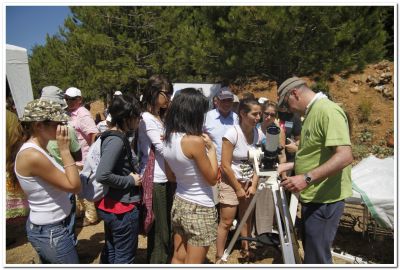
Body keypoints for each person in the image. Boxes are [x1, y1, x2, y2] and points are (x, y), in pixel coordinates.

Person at [276, 77, 353, 264]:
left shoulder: (328, 111)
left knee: (317, 258)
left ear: (294, 94)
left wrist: (306, 178)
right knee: (312, 252)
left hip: (326, 200)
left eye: (287, 104)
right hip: (314, 197)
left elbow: (344, 156)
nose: (289, 109)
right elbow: (319, 154)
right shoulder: (312, 113)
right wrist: (292, 166)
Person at [13, 99, 81, 263]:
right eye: (57, 123)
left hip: (51, 228)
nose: (62, 128)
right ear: (38, 125)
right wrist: (65, 150)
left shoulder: (39, 149)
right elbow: (74, 186)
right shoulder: (33, 155)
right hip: (51, 231)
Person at [163, 88, 218, 264]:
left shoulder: (168, 138)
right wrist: (212, 150)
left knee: (178, 257)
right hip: (200, 207)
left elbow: (171, 176)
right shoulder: (194, 142)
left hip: (180, 201)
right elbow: (212, 178)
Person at [95, 95, 142, 264]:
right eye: (137, 117)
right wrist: (131, 181)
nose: (139, 121)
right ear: (127, 118)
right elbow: (102, 175)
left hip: (114, 205)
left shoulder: (113, 136)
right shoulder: (116, 140)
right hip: (123, 208)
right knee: (124, 258)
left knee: (112, 251)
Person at [216, 98, 263, 263]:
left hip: (248, 183)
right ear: (243, 114)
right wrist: (237, 188)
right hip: (230, 183)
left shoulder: (258, 133)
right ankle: (219, 256)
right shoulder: (232, 133)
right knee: (226, 221)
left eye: (260, 113)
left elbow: (258, 162)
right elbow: (225, 166)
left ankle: (246, 249)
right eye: (254, 114)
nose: (258, 117)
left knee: (246, 219)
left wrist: (254, 183)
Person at [137, 74, 174, 263]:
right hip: (156, 179)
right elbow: (163, 149)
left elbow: (168, 144)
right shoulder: (146, 118)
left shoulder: (160, 117)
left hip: (166, 177)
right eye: (166, 93)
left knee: (165, 228)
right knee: (160, 232)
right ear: (154, 93)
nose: (169, 98)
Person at [40, 85, 82, 246]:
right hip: (64, 177)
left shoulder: (34, 130)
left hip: (43, 181)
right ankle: (68, 251)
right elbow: (78, 155)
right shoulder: (65, 129)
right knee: (67, 221)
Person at [65, 86, 99, 226]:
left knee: (85, 188)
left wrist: (91, 154)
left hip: (83, 158)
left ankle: (91, 216)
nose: (69, 101)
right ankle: (80, 212)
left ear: (80, 99)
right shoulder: (69, 113)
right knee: (77, 188)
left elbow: (93, 133)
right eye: (67, 98)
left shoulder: (83, 114)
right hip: (74, 158)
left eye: (73, 99)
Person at [254, 100, 287, 238]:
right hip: (253, 169)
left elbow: (282, 155)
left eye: (272, 115)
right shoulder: (255, 128)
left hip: (269, 172)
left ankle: (263, 234)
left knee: (265, 207)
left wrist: (282, 175)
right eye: (266, 114)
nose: (269, 117)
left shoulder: (278, 130)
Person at [204, 87, 239, 205]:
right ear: (217, 101)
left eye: (229, 100)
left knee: (229, 201)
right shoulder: (207, 117)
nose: (226, 103)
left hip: (232, 167)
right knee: (213, 201)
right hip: (213, 166)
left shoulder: (236, 118)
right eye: (223, 100)